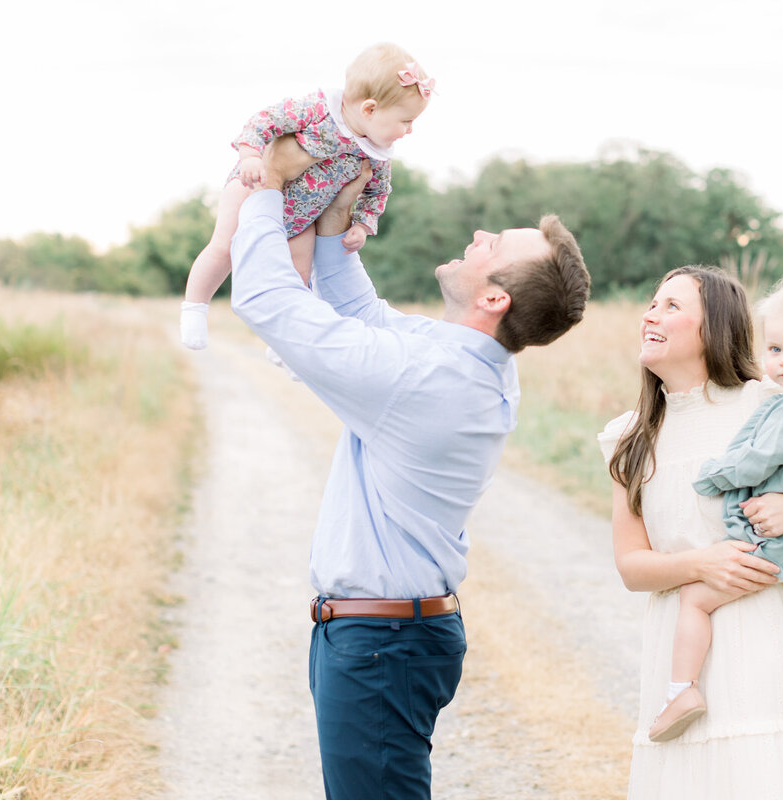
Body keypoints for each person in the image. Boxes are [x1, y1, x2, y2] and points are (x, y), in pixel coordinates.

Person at [228, 138, 590, 800]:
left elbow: (266, 301)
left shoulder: (430, 378)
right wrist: (334, 230)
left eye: (493, 246)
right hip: (384, 636)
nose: (478, 234)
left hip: (380, 642)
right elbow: (364, 318)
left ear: (495, 298)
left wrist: (267, 190)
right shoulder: (462, 363)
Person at [599, 265, 783, 799]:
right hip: (685, 653)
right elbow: (632, 567)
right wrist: (701, 564)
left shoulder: (772, 403)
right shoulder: (627, 437)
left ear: (715, 327)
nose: (651, 314)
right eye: (652, 303)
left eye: (671, 305)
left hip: (771, 640)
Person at [181, 41, 434, 350]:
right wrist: (250, 155)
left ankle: (284, 345)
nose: (409, 131)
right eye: (406, 121)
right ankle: (194, 308)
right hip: (255, 185)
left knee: (299, 278)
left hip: (305, 217)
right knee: (224, 249)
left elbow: (377, 191)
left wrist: (362, 225)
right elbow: (265, 120)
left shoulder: (377, 152)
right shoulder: (318, 109)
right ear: (369, 109)